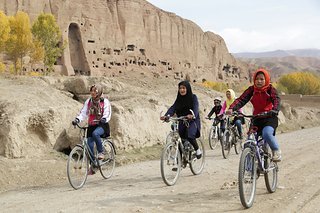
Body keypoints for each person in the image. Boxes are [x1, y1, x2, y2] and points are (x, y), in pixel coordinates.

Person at [227, 68, 282, 162]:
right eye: (257, 79)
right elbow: (241, 99)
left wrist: (275, 110)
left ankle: (276, 150)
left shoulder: (270, 89)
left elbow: (276, 100)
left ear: (266, 80)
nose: (259, 81)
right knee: (249, 141)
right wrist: (232, 108)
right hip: (256, 118)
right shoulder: (252, 90)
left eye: (262, 79)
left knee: (267, 133)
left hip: (269, 117)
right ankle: (249, 168)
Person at [72, 84, 112, 174]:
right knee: (89, 146)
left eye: (95, 91)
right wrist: (77, 119)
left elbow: (107, 112)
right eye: (92, 90)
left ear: (99, 92)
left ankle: (101, 152)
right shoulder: (89, 101)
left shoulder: (105, 101)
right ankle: (94, 165)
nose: (93, 93)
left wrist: (104, 118)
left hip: (102, 125)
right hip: (91, 125)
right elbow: (84, 113)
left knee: (95, 134)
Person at [160, 80, 202, 159]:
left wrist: (192, 115)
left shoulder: (193, 97)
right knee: (181, 140)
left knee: (190, 135)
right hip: (182, 120)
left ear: (188, 89)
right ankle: (180, 161)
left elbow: (196, 108)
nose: (182, 90)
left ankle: (197, 150)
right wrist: (167, 116)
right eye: (180, 88)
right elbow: (173, 108)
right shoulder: (179, 99)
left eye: (183, 88)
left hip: (192, 120)